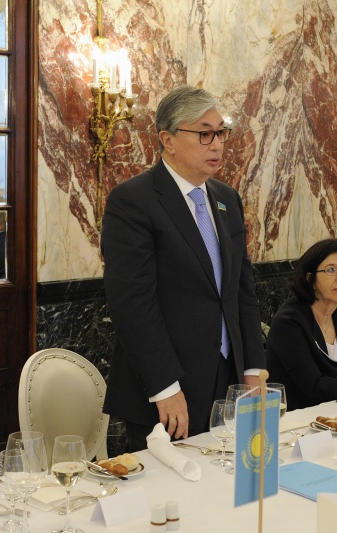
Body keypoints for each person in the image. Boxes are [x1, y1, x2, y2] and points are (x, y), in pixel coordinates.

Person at [100, 85, 265, 451]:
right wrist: (165, 386)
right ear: (168, 140)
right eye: (204, 134)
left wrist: (253, 368)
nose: (217, 144)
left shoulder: (227, 198)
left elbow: (242, 291)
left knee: (229, 481)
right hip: (168, 391)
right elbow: (133, 304)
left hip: (229, 381)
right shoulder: (133, 201)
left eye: (221, 132)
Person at [266, 239, 337, 410]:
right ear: (310, 278)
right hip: (296, 419)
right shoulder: (288, 322)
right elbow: (315, 387)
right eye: (331, 270)